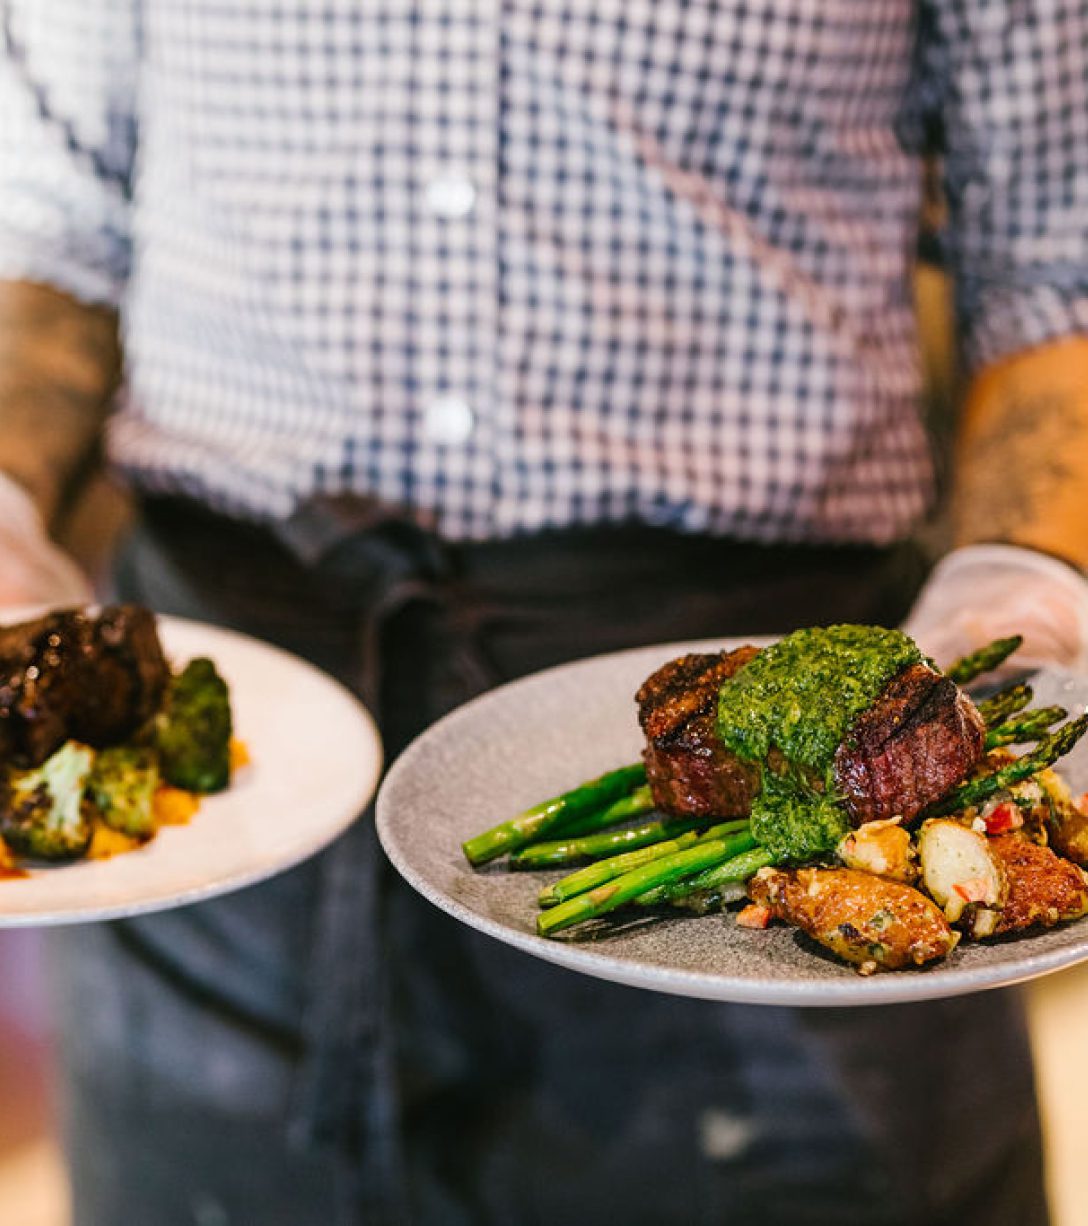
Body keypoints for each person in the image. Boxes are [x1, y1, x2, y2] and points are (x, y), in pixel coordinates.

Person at [1, 3, 1086, 1223]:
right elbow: (52, 215)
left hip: (789, 800)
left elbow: (1056, 258)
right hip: (234, 778)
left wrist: (1024, 567)